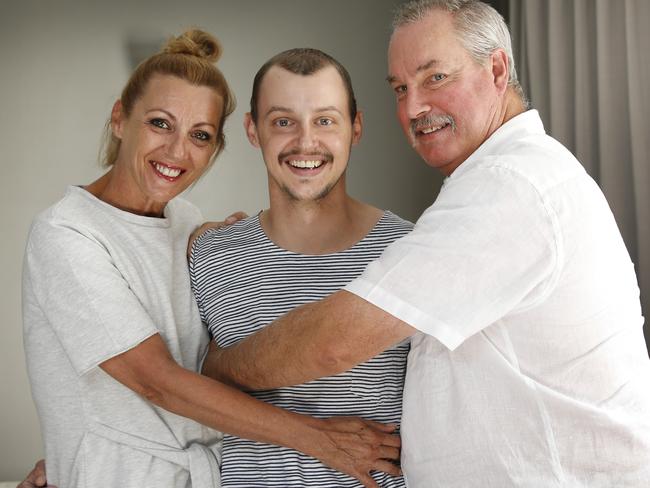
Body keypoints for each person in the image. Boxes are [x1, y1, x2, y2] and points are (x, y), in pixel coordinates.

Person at [201, 1, 650, 486]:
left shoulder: (510, 187)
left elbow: (333, 343)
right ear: (253, 130)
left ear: (496, 69)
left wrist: (215, 365)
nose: (413, 107)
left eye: (435, 78)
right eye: (400, 88)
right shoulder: (493, 188)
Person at [20, 29, 399, 488]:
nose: (177, 151)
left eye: (199, 135)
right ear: (120, 118)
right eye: (160, 123)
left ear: (216, 148)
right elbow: (155, 381)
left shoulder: (187, 227)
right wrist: (320, 439)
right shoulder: (66, 234)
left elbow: (208, 361)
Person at [191, 48, 410, 487]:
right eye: (283, 121)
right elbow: (167, 391)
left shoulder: (409, 251)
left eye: (325, 120)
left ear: (356, 128)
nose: (305, 142)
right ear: (253, 130)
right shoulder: (208, 256)